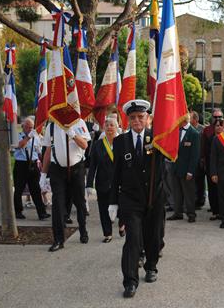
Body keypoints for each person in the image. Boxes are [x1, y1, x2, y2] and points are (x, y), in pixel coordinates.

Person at [109, 99, 165, 298]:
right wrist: (113, 202)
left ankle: (151, 267)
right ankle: (130, 281)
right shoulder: (120, 141)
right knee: (133, 240)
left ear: (148, 118)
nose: (136, 120)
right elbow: (115, 173)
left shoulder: (158, 138)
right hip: (130, 200)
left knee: (154, 236)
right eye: (132, 117)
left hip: (154, 197)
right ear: (128, 120)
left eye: (140, 116)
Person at [40, 118, 91, 252]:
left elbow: (85, 145)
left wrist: (72, 133)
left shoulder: (79, 122)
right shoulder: (51, 127)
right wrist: (43, 174)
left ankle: (83, 230)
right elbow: (48, 151)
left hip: (76, 169)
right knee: (57, 204)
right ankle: (58, 239)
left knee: (80, 202)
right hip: (57, 170)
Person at [86, 117, 119, 242]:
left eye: (112, 125)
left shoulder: (122, 142)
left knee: (122, 208)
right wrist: (89, 184)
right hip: (102, 182)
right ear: (104, 128)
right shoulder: (98, 144)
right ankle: (107, 234)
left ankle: (122, 225)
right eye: (107, 125)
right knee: (104, 209)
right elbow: (93, 165)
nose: (109, 127)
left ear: (116, 128)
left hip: (119, 183)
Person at [13, 117, 50, 220]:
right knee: (19, 189)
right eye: (28, 127)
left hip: (33, 165)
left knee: (36, 190)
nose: (30, 129)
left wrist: (42, 165)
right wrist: (28, 137)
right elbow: (19, 145)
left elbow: (39, 152)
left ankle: (42, 213)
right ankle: (18, 211)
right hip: (21, 164)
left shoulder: (36, 137)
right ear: (22, 127)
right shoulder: (18, 136)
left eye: (32, 127)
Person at [167, 114, 200, 223]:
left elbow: (195, 155)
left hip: (187, 170)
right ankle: (178, 212)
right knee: (177, 192)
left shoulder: (194, 133)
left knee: (189, 193)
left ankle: (191, 214)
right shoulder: (176, 131)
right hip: (176, 168)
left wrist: (191, 171)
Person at [201, 109, 223, 216]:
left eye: (220, 117)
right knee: (212, 189)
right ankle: (214, 209)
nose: (218, 119)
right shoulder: (207, 131)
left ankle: (222, 210)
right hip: (211, 166)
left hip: (223, 168)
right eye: (216, 117)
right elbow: (204, 148)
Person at [190, 111, 206, 210]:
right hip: (191, 159)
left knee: (200, 181)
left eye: (190, 118)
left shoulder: (202, 129)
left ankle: (200, 200)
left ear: (195, 120)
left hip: (200, 159)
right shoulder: (188, 129)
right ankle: (193, 199)